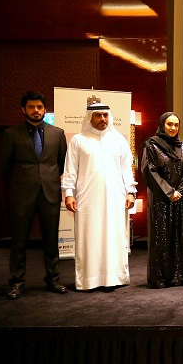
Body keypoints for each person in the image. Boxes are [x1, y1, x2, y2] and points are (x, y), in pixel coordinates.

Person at [0, 90, 68, 299]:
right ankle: (16, 282)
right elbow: (5, 166)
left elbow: (62, 163)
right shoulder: (11, 134)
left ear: (45, 109)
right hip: (21, 194)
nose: (36, 110)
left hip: (50, 192)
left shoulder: (58, 133)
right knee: (19, 240)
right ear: (24, 109)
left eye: (39, 107)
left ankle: (53, 279)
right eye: (31, 107)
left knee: (51, 239)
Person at [62, 100, 135, 291]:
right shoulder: (78, 140)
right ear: (90, 117)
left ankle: (114, 277)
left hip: (116, 198)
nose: (103, 119)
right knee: (90, 237)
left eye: (105, 115)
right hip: (88, 199)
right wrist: (68, 193)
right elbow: (70, 170)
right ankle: (89, 280)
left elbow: (126, 169)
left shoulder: (119, 140)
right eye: (98, 115)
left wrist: (130, 191)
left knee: (114, 236)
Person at [141, 112, 183, 288]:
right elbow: (149, 170)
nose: (173, 128)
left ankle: (177, 276)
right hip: (160, 197)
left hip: (179, 197)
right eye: (169, 124)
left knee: (177, 236)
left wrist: (179, 191)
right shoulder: (151, 145)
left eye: (176, 125)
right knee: (160, 237)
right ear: (162, 125)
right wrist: (169, 192)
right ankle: (158, 278)